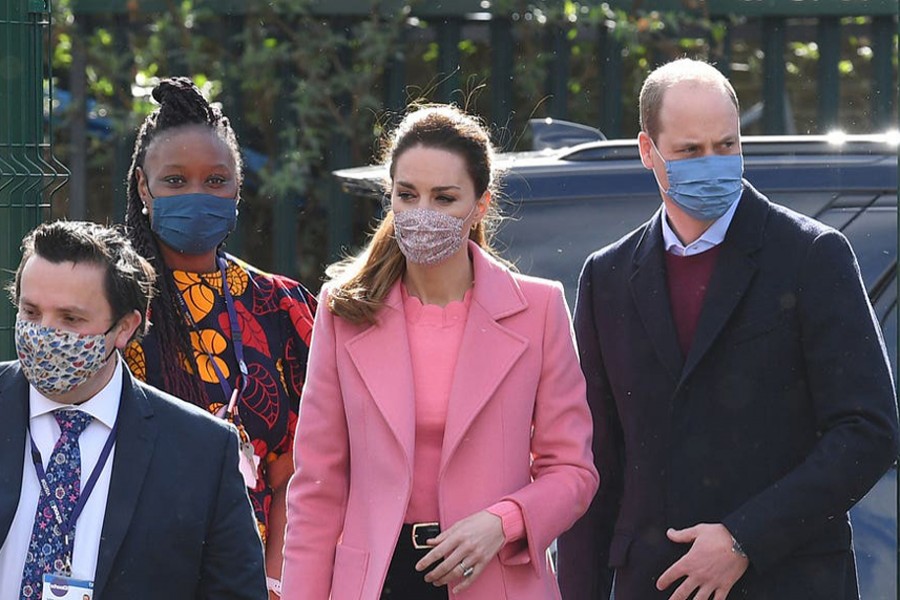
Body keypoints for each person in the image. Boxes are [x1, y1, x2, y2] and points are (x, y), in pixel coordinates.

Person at [557, 58, 900, 600]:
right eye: (691, 151)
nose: (712, 164)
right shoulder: (608, 276)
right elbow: (594, 457)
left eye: (727, 145)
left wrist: (745, 538)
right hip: (652, 584)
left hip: (787, 581)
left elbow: (868, 432)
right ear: (649, 151)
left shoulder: (811, 256)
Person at [280, 104, 598, 599]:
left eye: (444, 198)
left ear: (481, 205)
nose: (422, 213)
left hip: (494, 575)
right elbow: (317, 486)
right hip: (376, 582)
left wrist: (504, 521)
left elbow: (573, 472)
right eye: (407, 195)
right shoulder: (344, 311)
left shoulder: (539, 309)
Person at [0, 220, 267, 599]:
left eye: (70, 319)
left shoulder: (202, 451)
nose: (44, 333)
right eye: (30, 313)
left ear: (124, 328)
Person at [122, 77, 316, 597]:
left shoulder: (282, 307)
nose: (196, 195)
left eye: (215, 181)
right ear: (144, 187)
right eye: (175, 181)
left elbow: (299, 470)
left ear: (236, 186)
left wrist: (273, 580)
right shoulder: (113, 307)